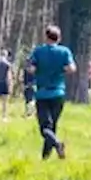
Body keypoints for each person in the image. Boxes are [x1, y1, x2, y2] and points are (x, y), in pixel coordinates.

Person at [28, 25, 76, 160]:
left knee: (45, 128)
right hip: (58, 93)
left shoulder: (38, 51)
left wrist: (38, 70)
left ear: (46, 37)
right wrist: (60, 70)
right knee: (52, 126)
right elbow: (72, 68)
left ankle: (57, 144)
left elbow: (31, 69)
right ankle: (45, 158)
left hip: (42, 94)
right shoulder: (65, 51)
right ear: (59, 38)